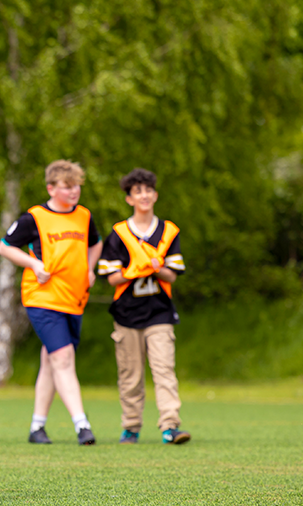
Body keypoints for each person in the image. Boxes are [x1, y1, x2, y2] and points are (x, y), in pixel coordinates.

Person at [0, 160, 102, 445]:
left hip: (74, 299)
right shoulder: (35, 217)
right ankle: (82, 425)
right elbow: (4, 247)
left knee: (51, 360)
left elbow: (96, 242)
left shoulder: (85, 216)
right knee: (63, 358)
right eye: (67, 187)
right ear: (51, 188)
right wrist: (34, 263)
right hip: (42, 297)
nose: (73, 192)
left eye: (76, 186)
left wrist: (91, 268)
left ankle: (37, 427)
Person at [96, 168, 190, 445]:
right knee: (130, 375)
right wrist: (133, 271)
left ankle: (170, 426)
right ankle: (131, 427)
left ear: (156, 195)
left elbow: (173, 274)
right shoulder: (118, 233)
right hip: (126, 313)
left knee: (164, 369)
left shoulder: (169, 231)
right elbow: (111, 277)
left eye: (148, 190)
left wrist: (158, 270)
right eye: (137, 191)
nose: (144, 195)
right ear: (129, 198)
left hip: (159, 311)